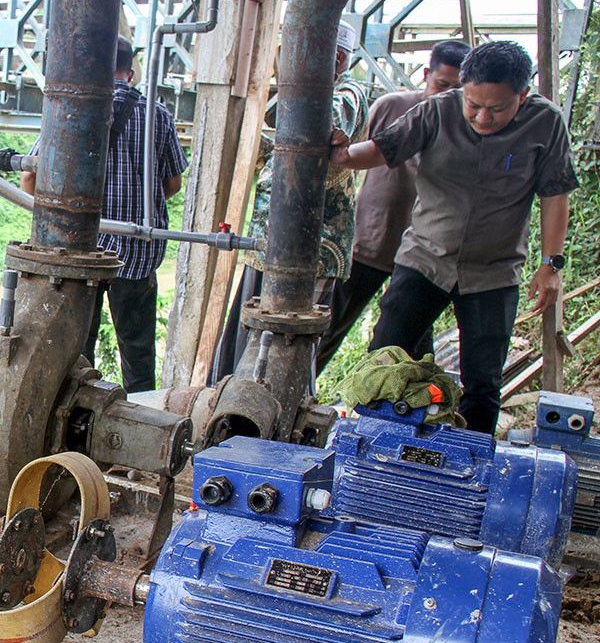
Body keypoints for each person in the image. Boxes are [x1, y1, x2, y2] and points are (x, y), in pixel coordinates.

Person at [331, 41, 578, 434]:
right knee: (384, 358)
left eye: (496, 109)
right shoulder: (437, 110)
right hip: (425, 259)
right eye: (473, 104)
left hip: (493, 273)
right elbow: (383, 149)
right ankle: (373, 450)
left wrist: (551, 266)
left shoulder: (544, 124)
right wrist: (343, 157)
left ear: (523, 95)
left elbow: (555, 196)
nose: (481, 117)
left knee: (482, 383)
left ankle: (469, 469)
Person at [20, 35, 188, 393]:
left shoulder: (71, 108)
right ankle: (142, 421)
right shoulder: (158, 116)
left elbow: (29, 179)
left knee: (77, 351)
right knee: (138, 353)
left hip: (81, 252)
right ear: (131, 71)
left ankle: (73, 427)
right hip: (138, 253)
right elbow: (171, 184)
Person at [211, 20, 370, 381]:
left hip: (312, 247)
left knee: (287, 341)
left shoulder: (347, 93)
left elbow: (323, 127)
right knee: (248, 332)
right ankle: (229, 397)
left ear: (339, 60)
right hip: (269, 242)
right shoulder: (297, 92)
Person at [315, 40, 471, 375]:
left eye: (458, 89)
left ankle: (409, 412)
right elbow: (346, 159)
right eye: (441, 85)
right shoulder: (391, 106)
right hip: (369, 245)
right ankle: (298, 396)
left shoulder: (469, 125)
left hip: (423, 257)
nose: (448, 96)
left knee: (410, 347)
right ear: (426, 75)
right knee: (325, 331)